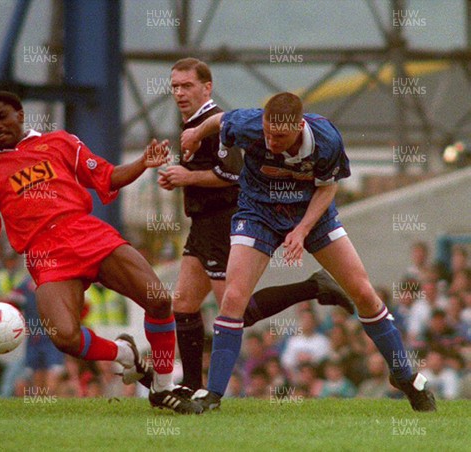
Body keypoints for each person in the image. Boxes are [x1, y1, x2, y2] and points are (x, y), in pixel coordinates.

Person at [0, 91, 202, 414]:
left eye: (2, 116)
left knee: (160, 300)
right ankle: (124, 354)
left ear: (20, 115)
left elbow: (105, 177)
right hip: (45, 254)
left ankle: (163, 387)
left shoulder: (59, 142)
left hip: (85, 232)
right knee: (65, 337)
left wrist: (142, 163)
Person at [181, 92, 436, 412]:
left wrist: (301, 230)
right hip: (258, 213)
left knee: (363, 292)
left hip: (311, 214)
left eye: (281, 136)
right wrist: (193, 134)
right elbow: (220, 119)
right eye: (268, 133)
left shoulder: (326, 140)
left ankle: (403, 375)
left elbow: (328, 187)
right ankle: (213, 395)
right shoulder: (250, 125)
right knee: (233, 299)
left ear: (299, 126)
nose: (272, 141)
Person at [157, 57, 354, 392]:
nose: (179, 92)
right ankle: (190, 386)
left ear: (207, 87)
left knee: (239, 311)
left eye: (187, 85)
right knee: (184, 304)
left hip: (221, 221)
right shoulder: (193, 123)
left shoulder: (214, 123)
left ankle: (313, 287)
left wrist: (186, 176)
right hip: (201, 223)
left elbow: (232, 174)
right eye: (175, 86)